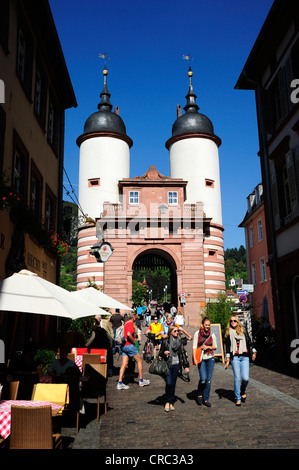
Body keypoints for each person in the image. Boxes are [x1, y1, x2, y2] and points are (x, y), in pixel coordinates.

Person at [224, 315, 257, 406]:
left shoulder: (243, 330)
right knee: (237, 378)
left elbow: (250, 341)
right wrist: (227, 360)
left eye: (235, 321)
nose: (233, 322)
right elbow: (227, 346)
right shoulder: (228, 332)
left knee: (245, 378)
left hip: (245, 357)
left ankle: (243, 390)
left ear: (238, 321)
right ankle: (237, 398)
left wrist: (254, 351)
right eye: (231, 321)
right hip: (235, 357)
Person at [159, 325, 189, 411]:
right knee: (168, 383)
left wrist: (186, 366)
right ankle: (167, 401)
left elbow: (183, 353)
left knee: (173, 384)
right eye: (175, 331)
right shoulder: (165, 341)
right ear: (171, 332)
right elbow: (160, 353)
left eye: (177, 331)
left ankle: (171, 402)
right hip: (168, 364)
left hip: (176, 364)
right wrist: (164, 353)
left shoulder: (179, 341)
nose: (177, 332)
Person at [117, 312, 150, 390]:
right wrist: (133, 342)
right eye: (135, 318)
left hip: (124, 346)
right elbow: (129, 334)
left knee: (124, 364)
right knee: (139, 361)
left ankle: (120, 382)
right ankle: (141, 380)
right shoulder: (131, 324)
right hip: (129, 345)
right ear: (134, 317)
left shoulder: (125, 324)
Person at [193, 316, 217, 407]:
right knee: (203, 378)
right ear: (202, 325)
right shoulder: (197, 334)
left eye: (209, 325)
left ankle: (206, 399)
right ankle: (199, 393)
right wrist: (194, 359)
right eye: (206, 325)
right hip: (201, 358)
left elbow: (215, 347)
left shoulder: (212, 335)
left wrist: (208, 347)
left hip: (210, 358)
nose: (207, 326)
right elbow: (194, 347)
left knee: (208, 380)